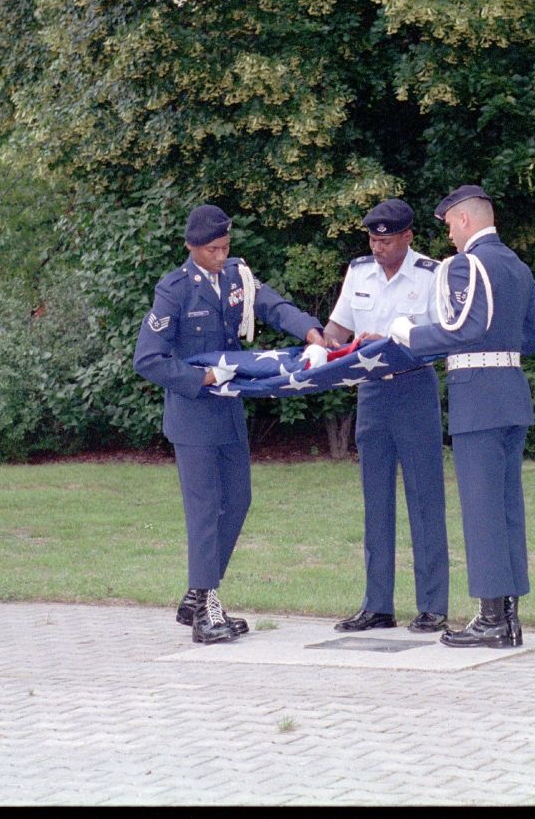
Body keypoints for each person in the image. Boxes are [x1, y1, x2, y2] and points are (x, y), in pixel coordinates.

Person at [134, 204, 325, 644]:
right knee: (204, 512)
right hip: (193, 416)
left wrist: (311, 332)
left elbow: (273, 306)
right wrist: (198, 377)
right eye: (213, 250)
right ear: (192, 248)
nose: (222, 256)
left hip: (229, 412)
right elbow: (147, 359)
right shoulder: (175, 289)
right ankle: (206, 609)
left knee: (238, 501)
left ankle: (197, 593)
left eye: (225, 247)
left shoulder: (238, 275)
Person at [388, 185, 535, 648]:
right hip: (510, 395)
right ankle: (509, 616)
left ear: (464, 220)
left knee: (482, 511)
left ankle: (490, 619)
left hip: (477, 398)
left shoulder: (467, 264)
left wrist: (410, 334)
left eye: (448, 224)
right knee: (505, 509)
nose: (448, 234)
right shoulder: (516, 266)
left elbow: (465, 326)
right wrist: (502, 345)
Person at [321, 199, 450, 634]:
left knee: (424, 498)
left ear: (408, 237)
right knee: (376, 500)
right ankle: (377, 604)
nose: (378, 248)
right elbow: (338, 327)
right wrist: (322, 345)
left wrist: (392, 340)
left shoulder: (432, 275)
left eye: (387, 240)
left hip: (413, 386)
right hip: (371, 392)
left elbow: (442, 338)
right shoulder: (358, 272)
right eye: (373, 240)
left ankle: (433, 604)